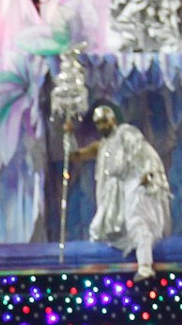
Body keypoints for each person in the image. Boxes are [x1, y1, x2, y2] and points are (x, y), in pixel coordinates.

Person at [71, 102, 170, 276]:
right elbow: (75, 155)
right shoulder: (101, 145)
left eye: (104, 121)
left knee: (136, 223)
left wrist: (148, 172)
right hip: (111, 196)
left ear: (113, 119)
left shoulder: (125, 133)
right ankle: (99, 274)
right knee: (98, 229)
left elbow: (144, 152)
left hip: (130, 186)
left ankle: (145, 266)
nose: (102, 126)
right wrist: (68, 135)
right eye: (98, 123)